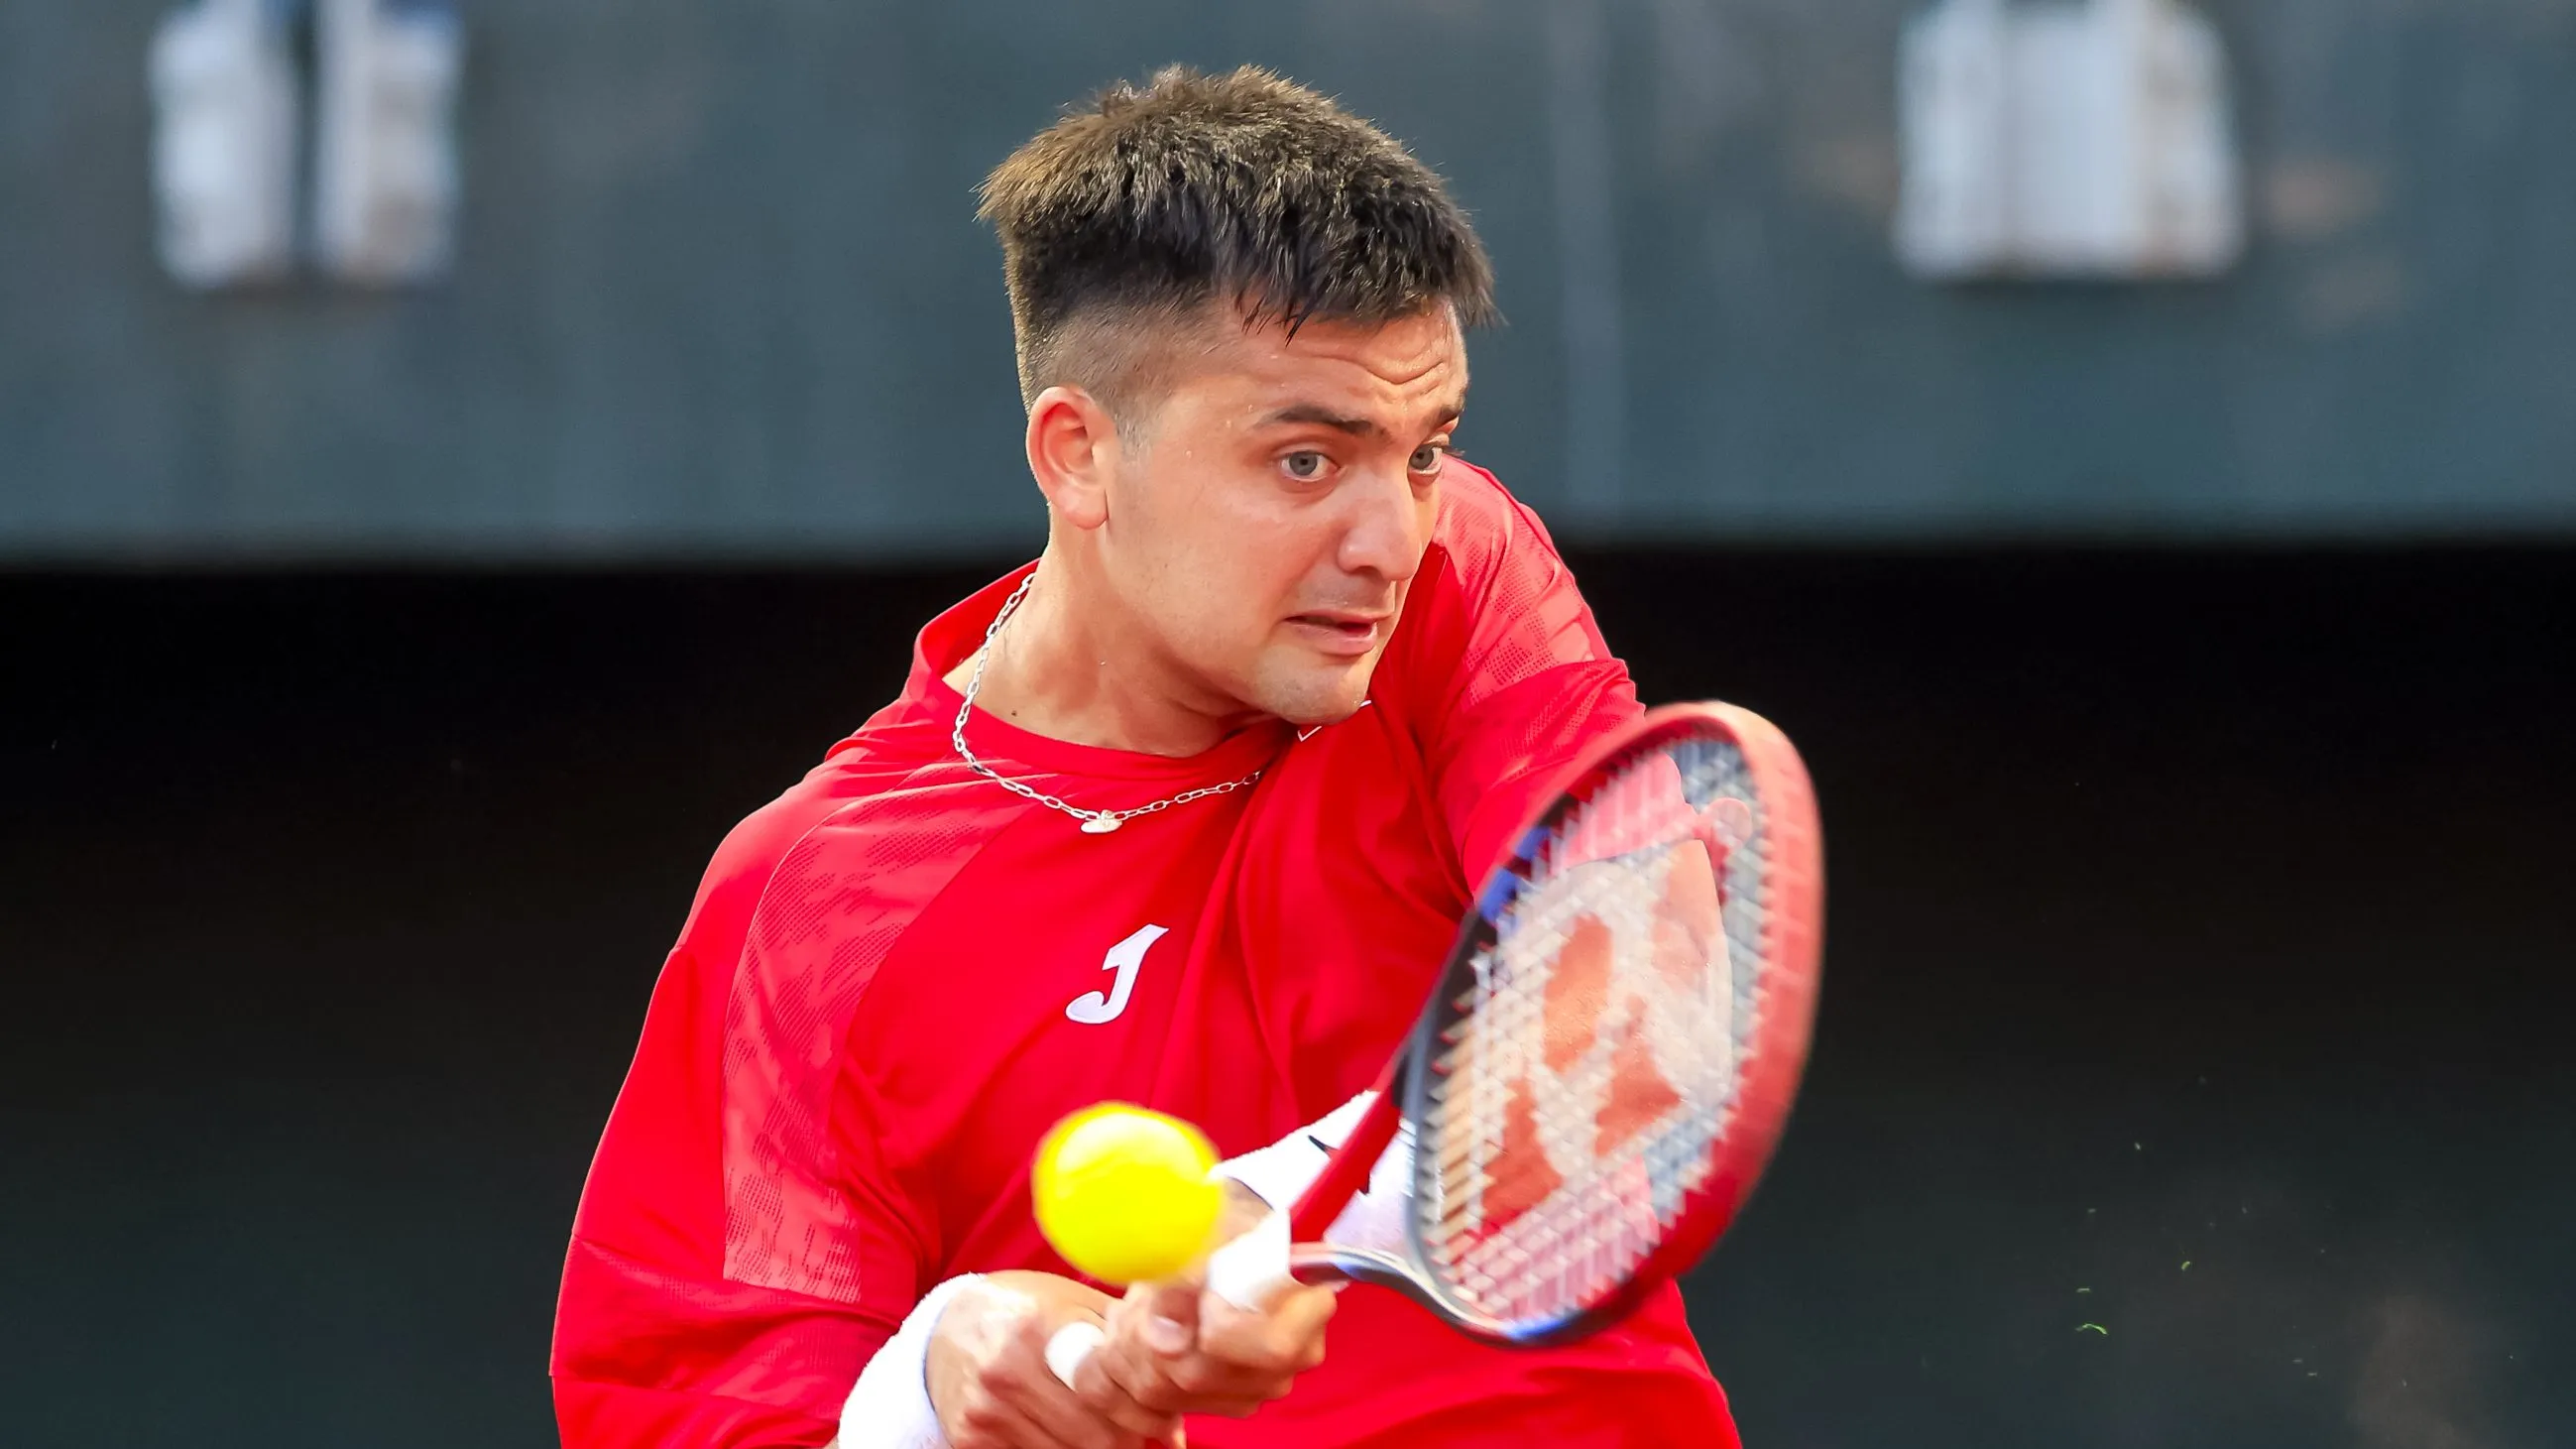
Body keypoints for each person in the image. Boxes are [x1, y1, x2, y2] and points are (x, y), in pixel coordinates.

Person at [551, 65, 1739, 1448]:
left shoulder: (1452, 576)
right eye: (1304, 460)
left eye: (1423, 451)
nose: (1385, 537)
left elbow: (1637, 994)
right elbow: (701, 1404)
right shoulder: (814, 903)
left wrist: (1268, 1212)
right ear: (1076, 456)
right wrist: (938, 1377)